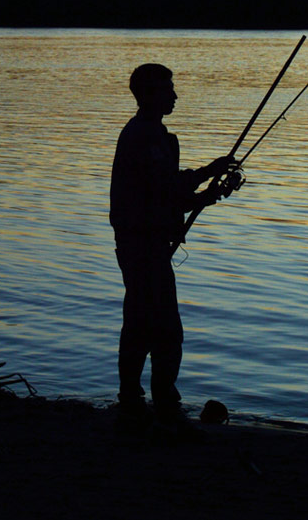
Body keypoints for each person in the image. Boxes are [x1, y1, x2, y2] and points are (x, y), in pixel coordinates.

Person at [109, 62, 234, 428]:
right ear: (148, 94)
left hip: (142, 244)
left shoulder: (148, 135)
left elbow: (167, 186)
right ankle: (160, 400)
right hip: (143, 246)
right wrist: (206, 196)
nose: (175, 96)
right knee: (162, 329)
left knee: (139, 322)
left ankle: (136, 397)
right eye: (167, 90)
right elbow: (163, 195)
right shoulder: (144, 137)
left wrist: (210, 174)